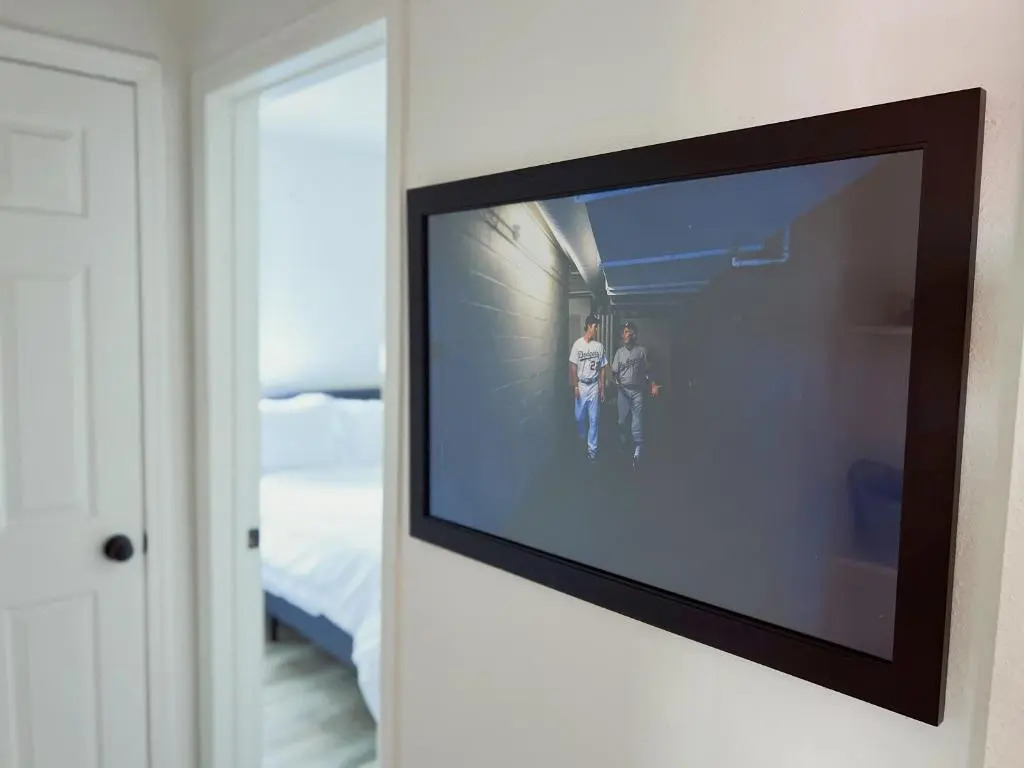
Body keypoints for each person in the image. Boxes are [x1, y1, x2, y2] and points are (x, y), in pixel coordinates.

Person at [611, 320, 661, 469]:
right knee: (621, 421)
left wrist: (653, 385)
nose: (627, 334)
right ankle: (623, 444)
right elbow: (614, 374)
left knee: (637, 422)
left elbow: (648, 371)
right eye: (625, 332)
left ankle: (638, 452)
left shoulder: (641, 351)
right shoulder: (619, 352)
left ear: (634, 334)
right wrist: (618, 385)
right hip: (623, 391)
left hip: (637, 391)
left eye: (629, 331)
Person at [569, 314, 608, 462]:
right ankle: (582, 441)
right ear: (589, 326)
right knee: (579, 418)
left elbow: (603, 368)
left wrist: (602, 387)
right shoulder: (577, 344)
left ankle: (592, 450)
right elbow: (573, 366)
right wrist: (575, 386)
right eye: (595, 326)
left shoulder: (599, 346)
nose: (597, 329)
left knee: (594, 419)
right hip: (581, 385)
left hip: (593, 386)